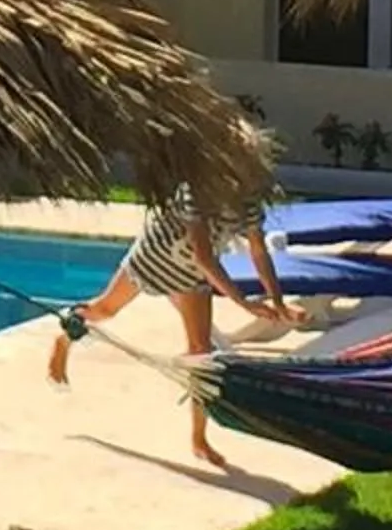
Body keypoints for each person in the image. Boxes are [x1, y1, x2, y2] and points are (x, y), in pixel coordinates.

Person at [46, 185, 301, 466]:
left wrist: (278, 302)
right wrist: (243, 302)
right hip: (155, 259)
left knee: (201, 354)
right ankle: (63, 340)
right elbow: (203, 256)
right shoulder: (196, 189)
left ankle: (199, 439)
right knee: (105, 309)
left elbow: (258, 251)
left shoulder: (249, 201)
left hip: (191, 276)